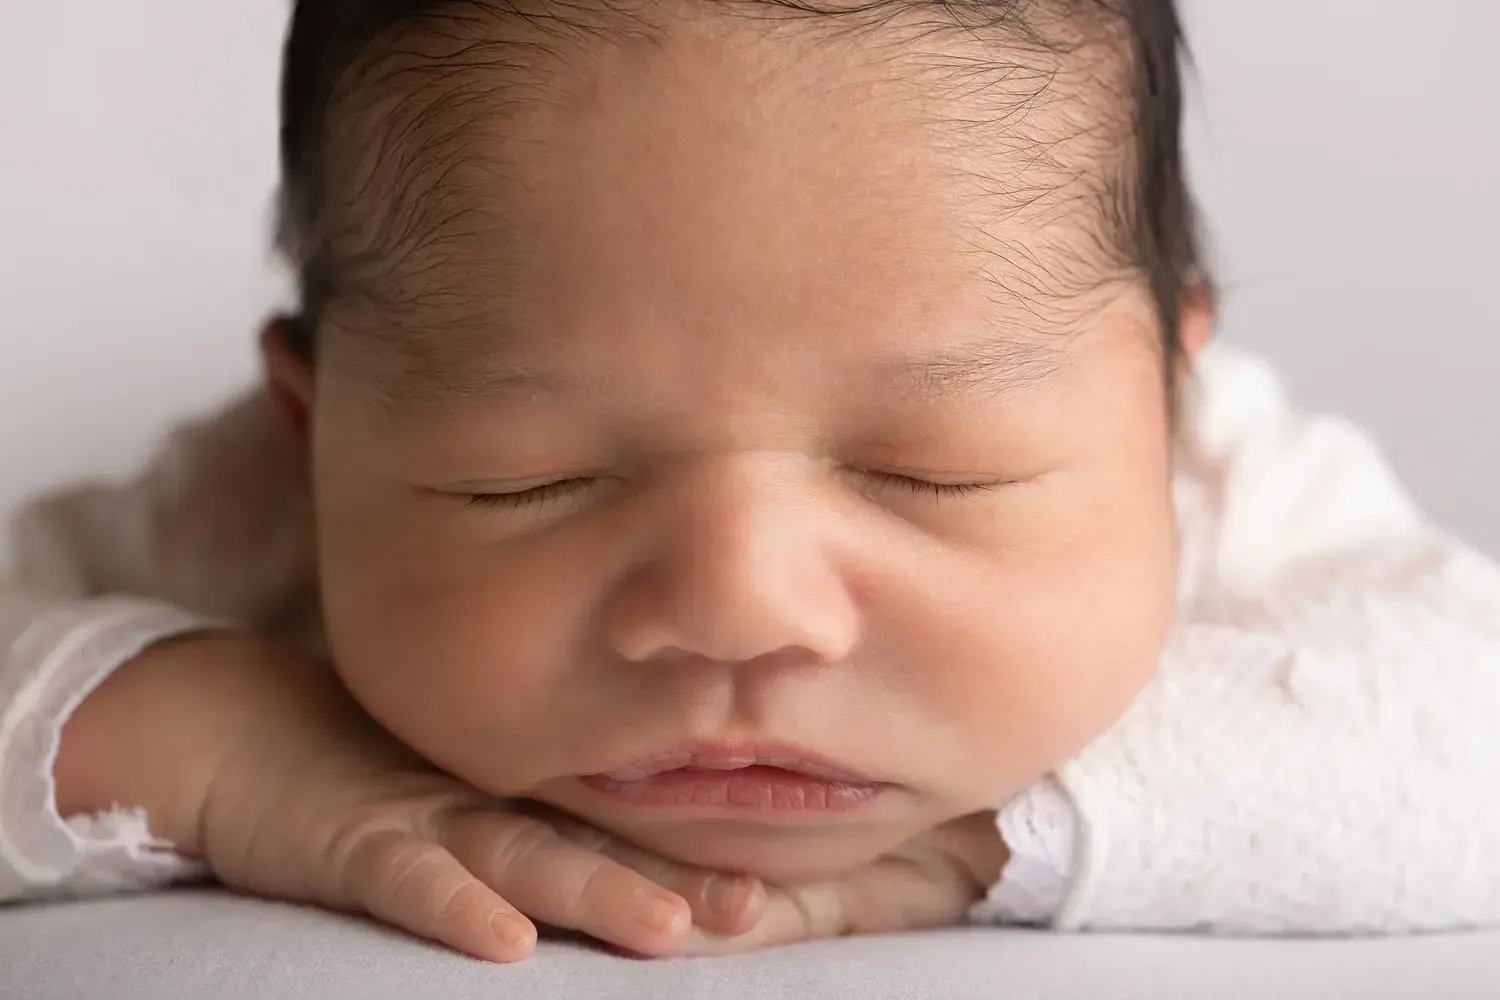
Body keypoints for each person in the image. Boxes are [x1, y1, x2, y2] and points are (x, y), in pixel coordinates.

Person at [3, 0, 1499, 965]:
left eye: (933, 475)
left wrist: (1014, 833)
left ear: (1160, 413)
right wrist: (220, 745)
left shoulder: (1233, 485)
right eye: (532, 481)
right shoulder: (252, 510)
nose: (735, 607)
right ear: (315, 437)